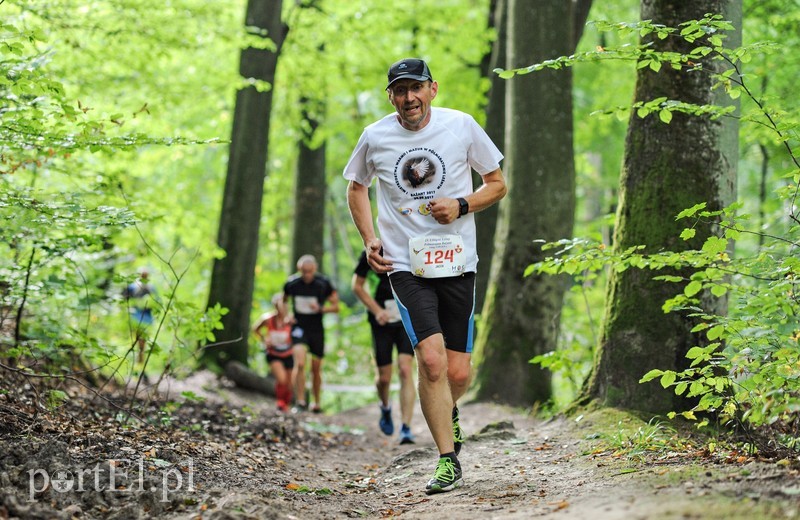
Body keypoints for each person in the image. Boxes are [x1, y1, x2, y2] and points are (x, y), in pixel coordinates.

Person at [344, 58, 507, 495]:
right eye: (400, 90)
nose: (409, 98)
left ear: (432, 89)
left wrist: (462, 205)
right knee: (431, 362)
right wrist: (370, 239)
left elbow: (497, 183)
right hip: (404, 264)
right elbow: (356, 187)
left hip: (457, 262)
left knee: (458, 373)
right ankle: (448, 459)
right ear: (390, 97)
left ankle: (447, 409)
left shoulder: (461, 126)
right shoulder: (375, 136)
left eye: (415, 88)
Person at [352, 250, 416, 445]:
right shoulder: (371, 252)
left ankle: (406, 427)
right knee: (384, 378)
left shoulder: (410, 246)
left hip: (407, 316)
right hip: (381, 320)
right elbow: (357, 286)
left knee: (405, 369)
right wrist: (377, 310)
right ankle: (385, 407)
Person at [281, 254, 339, 413]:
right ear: (299, 269)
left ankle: (316, 402)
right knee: (300, 363)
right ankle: (300, 401)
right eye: (303, 271)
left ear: (315, 269)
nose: (306, 275)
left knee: (315, 368)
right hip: (299, 327)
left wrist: (321, 309)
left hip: (316, 329)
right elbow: (283, 300)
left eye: (309, 271)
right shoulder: (292, 283)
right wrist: (287, 316)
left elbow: (336, 306)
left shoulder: (324, 283)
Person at [253, 294, 295, 412]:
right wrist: (264, 340)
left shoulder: (291, 320)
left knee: (290, 382)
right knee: (282, 379)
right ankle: (280, 403)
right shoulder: (268, 319)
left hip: (289, 354)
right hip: (273, 353)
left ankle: (286, 405)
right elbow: (255, 329)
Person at [123, 268, 157, 364]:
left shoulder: (151, 288)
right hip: (136, 316)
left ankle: (140, 360)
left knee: (142, 339)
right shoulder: (133, 287)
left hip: (146, 318)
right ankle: (138, 359)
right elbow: (125, 299)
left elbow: (156, 302)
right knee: (138, 338)